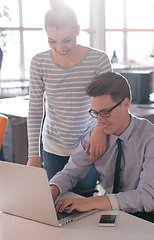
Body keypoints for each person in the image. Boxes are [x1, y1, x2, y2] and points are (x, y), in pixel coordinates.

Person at [49, 72, 154, 215]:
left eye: (105, 112)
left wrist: (91, 202)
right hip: (111, 210)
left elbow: (147, 197)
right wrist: (52, 190)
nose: (100, 121)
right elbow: (70, 173)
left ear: (126, 104)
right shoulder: (97, 136)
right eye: (95, 113)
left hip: (149, 216)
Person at [27, 3, 112, 190]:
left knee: (83, 201)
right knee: (54, 205)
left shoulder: (99, 59)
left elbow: (108, 102)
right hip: (53, 146)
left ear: (78, 30)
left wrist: (100, 128)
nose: (60, 47)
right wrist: (33, 154)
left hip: (88, 144)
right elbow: (34, 109)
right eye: (52, 41)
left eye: (66, 40)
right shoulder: (39, 62)